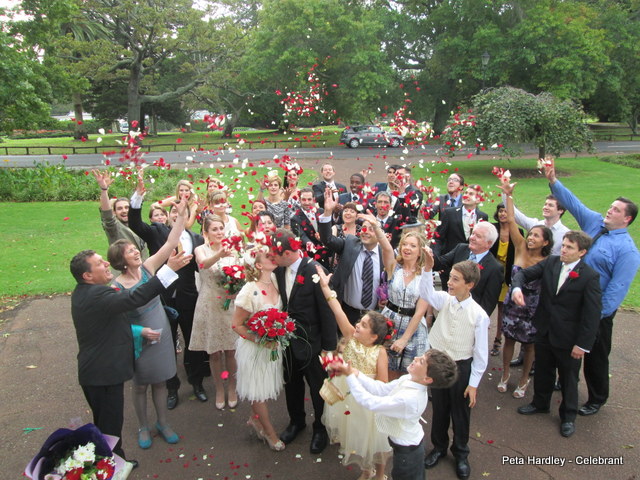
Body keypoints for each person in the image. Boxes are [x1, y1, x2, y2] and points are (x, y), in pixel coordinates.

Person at [69, 246, 189, 466]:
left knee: (108, 426)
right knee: (109, 426)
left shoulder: (84, 292)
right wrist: (168, 270)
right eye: (99, 263)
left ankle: (116, 462)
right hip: (103, 374)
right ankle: (112, 467)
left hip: (96, 372)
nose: (106, 264)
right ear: (87, 275)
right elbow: (137, 297)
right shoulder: (98, 296)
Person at [545, 157, 640, 416]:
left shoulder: (628, 251)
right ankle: (564, 382)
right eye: (611, 207)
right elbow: (574, 203)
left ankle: (597, 397)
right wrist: (553, 180)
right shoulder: (595, 223)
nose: (610, 210)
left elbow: (617, 290)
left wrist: (594, 317)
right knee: (565, 347)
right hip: (571, 301)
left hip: (596, 311)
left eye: (617, 210)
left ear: (627, 219)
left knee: (595, 355)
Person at [106, 196, 188, 450]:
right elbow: (115, 324)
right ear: (121, 260)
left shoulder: (148, 267)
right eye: (131, 251)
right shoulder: (116, 287)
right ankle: (143, 426)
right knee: (140, 385)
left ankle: (163, 422)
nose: (136, 252)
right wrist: (140, 331)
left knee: (161, 381)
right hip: (138, 340)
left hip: (161, 330)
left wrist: (182, 214)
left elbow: (171, 242)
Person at [128, 178, 208, 410]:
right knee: (167, 344)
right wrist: (138, 198)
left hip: (188, 297)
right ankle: (172, 388)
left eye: (181, 211)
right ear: (170, 214)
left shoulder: (196, 239)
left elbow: (201, 268)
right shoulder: (157, 232)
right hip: (162, 299)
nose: (177, 213)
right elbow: (135, 224)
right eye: (174, 210)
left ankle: (197, 383)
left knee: (193, 343)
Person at [514, 231, 602, 438]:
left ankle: (568, 416)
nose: (563, 250)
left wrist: (582, 345)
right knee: (543, 369)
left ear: (582, 252)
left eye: (569, 247)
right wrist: (517, 288)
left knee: (569, 378)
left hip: (569, 338)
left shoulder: (589, 277)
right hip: (544, 330)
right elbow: (523, 274)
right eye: (563, 245)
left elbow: (592, 314)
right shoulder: (551, 263)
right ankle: (540, 403)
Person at [330, 350, 458, 480]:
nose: (416, 357)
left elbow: (370, 402)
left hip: (408, 453)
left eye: (421, 361)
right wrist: (357, 374)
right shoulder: (409, 378)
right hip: (404, 446)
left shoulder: (409, 399)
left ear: (427, 379)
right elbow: (381, 389)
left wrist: (350, 377)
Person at [316, 265, 392, 480]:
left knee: (375, 440)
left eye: (364, 325)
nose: (358, 325)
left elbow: (383, 383)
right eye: (360, 322)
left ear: (374, 336)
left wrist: (355, 372)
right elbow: (336, 308)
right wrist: (325, 287)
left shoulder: (379, 353)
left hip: (369, 401)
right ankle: (366, 471)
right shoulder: (350, 336)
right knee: (357, 436)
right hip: (348, 396)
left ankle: (379, 474)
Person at [419, 257, 490, 480]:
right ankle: (439, 447)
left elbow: (480, 353)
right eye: (450, 277)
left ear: (469, 285)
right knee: (439, 408)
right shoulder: (444, 299)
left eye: (455, 279)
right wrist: (428, 270)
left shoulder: (479, 315)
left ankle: (461, 453)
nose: (449, 282)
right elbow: (426, 293)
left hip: (461, 366)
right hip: (439, 365)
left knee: (460, 413)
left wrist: (473, 384)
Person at [272, 229, 337, 454]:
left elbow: (327, 312)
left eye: (276, 254)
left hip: (313, 343)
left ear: (289, 253)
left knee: (318, 388)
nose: (272, 258)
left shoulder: (315, 271)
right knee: (292, 384)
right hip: (288, 341)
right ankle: (296, 421)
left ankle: (320, 428)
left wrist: (329, 347)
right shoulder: (279, 270)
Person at [496, 180, 553, 398]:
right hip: (513, 303)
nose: (530, 238)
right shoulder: (520, 246)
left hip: (533, 307)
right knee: (509, 339)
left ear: (546, 242)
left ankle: (524, 379)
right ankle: (505, 374)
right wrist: (508, 195)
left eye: (536, 236)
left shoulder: (549, 261)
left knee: (530, 346)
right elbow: (510, 220)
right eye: (530, 234)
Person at [232, 245, 286, 451]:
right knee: (258, 392)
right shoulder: (249, 291)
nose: (274, 257)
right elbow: (237, 325)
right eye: (268, 256)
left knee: (263, 387)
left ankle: (255, 420)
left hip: (273, 347)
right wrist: (261, 340)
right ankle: (269, 433)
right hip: (255, 348)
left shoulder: (275, 281)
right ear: (258, 264)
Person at [189, 215, 239, 410]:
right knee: (215, 352)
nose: (219, 232)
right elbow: (203, 264)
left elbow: (239, 273)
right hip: (209, 303)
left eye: (221, 228)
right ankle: (219, 388)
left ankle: (232, 387)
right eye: (215, 229)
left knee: (231, 351)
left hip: (228, 303)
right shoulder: (200, 249)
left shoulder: (233, 249)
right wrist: (220, 255)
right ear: (206, 232)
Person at [319, 190, 389, 325]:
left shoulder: (385, 254)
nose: (366, 232)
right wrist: (328, 213)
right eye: (363, 228)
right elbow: (327, 239)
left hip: (374, 315)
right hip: (347, 312)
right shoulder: (350, 244)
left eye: (371, 229)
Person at [377, 228, 431, 381]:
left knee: (409, 374)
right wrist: (376, 226)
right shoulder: (393, 267)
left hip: (413, 327)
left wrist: (404, 339)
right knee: (386, 369)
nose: (407, 248)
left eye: (413, 246)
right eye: (404, 244)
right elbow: (386, 247)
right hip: (389, 322)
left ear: (420, 251)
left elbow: (420, 311)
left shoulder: (425, 276)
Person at [432, 221, 504, 318]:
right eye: (473, 233)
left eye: (478, 236)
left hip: (470, 318)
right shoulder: (460, 249)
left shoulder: (494, 268)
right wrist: (429, 254)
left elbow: (488, 303)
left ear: (489, 243)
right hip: (448, 310)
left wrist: (476, 322)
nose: (472, 238)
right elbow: (439, 264)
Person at [432, 185, 489, 287]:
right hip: (450, 265)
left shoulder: (482, 216)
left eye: (471, 194)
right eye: (465, 193)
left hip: (471, 269)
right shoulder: (449, 213)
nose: (466, 195)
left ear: (478, 199)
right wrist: (437, 259)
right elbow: (438, 238)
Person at [93, 170, 147, 261]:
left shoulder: (139, 226)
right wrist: (104, 189)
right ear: (114, 212)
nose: (124, 211)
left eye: (127, 207)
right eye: (119, 208)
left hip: (144, 271)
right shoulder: (114, 228)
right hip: (124, 272)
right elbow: (107, 214)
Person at [488, 203, 519, 357]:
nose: (502, 214)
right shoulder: (492, 229)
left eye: (506, 211)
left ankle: (497, 339)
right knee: (485, 307)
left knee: (502, 309)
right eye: (500, 211)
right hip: (492, 274)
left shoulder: (517, 232)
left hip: (507, 276)